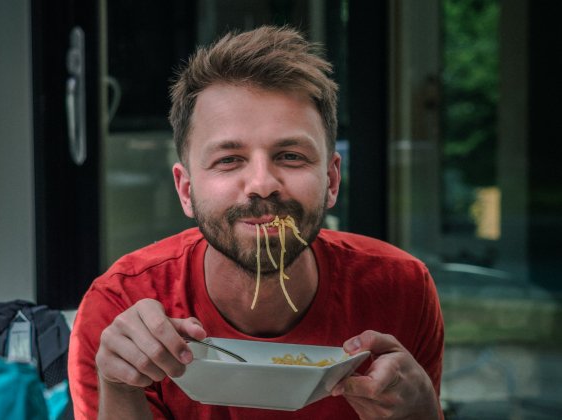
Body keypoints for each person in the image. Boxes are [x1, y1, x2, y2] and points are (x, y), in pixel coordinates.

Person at [68, 25, 444, 420]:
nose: (262, 184)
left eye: (291, 156)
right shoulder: (120, 308)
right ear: (185, 189)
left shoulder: (402, 290)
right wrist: (120, 387)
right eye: (229, 160)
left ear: (332, 181)